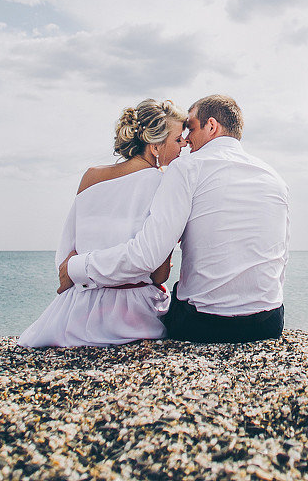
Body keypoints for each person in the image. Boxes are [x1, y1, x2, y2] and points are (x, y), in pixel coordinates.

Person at [59, 94, 289, 343]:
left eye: (190, 128)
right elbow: (281, 257)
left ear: (211, 126)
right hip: (269, 322)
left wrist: (76, 267)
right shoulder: (274, 177)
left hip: (204, 323)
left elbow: (147, 257)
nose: (187, 141)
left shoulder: (188, 168)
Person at [17, 98, 187, 347]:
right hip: (130, 315)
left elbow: (66, 257)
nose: (184, 144)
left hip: (75, 311)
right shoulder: (163, 183)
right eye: (177, 139)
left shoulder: (90, 176)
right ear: (155, 146)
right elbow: (159, 274)